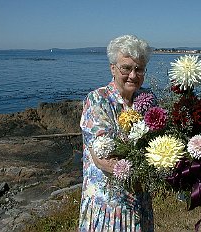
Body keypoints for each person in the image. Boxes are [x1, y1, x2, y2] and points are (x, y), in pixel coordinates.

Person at [79, 35, 154, 232]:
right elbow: (103, 157)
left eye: (139, 69)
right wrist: (154, 165)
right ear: (113, 68)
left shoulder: (148, 99)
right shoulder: (97, 100)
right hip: (108, 207)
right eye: (126, 68)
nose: (133, 75)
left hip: (140, 203)